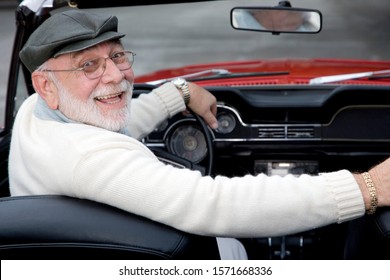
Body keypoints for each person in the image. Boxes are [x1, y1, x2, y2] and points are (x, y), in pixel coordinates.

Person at [8, 9, 390, 259]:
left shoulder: (36, 116)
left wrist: (181, 92)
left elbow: (115, 122)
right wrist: (367, 187)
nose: (115, 76)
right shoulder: (87, 158)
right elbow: (214, 203)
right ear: (45, 85)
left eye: (118, 56)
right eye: (88, 65)